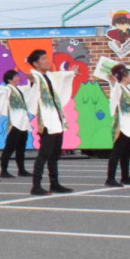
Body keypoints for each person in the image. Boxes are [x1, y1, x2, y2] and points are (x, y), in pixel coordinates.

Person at [25, 49, 76, 196]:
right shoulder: (37, 78)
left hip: (57, 119)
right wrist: (33, 80)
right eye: (43, 59)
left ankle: (54, 183)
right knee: (44, 154)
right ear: (35, 63)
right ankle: (36, 185)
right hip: (47, 121)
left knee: (54, 154)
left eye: (47, 58)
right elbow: (33, 84)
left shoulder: (49, 77)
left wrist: (71, 74)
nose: (47, 61)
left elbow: (62, 77)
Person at [96, 60, 130, 187]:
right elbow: (114, 91)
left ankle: (125, 176)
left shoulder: (127, 89)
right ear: (124, 76)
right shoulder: (119, 88)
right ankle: (110, 178)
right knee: (117, 152)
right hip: (122, 125)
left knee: (126, 152)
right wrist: (113, 82)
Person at [0, 69, 32, 178]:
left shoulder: (18, 89)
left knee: (21, 148)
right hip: (15, 123)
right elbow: (1, 89)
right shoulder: (8, 89)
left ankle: (21, 169)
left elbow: (29, 89)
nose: (18, 78)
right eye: (15, 77)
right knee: (9, 147)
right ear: (9, 80)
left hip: (23, 122)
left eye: (17, 76)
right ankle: (3, 169)